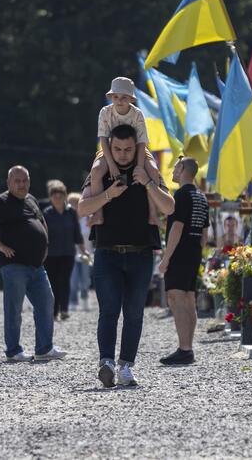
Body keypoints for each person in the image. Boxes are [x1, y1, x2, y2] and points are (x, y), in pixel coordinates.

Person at [78, 124, 174, 388]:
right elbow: (82, 208)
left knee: (134, 313)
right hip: (107, 254)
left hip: (141, 254)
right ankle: (106, 363)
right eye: (117, 149)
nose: (122, 154)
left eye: (128, 149)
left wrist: (149, 183)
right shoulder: (102, 168)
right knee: (108, 311)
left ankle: (125, 367)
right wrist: (108, 194)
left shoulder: (146, 168)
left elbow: (169, 206)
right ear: (110, 146)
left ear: (137, 147)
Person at [0, 166, 65, 363]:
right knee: (14, 308)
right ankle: (13, 351)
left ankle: (45, 348)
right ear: (9, 183)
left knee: (46, 302)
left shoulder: (31, 199)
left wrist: (45, 246)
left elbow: (42, 223)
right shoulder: (1, 201)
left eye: (25, 180)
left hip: (36, 265)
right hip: (14, 264)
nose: (21, 184)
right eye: (17, 181)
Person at [157, 157, 209, 366]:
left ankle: (184, 349)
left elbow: (176, 228)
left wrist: (166, 258)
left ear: (182, 169)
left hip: (179, 253)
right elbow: (205, 234)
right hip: (194, 251)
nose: (172, 171)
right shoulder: (201, 196)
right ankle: (188, 347)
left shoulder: (181, 195)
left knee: (176, 299)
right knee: (188, 299)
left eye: (175, 167)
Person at [88, 77, 160, 225]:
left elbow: (141, 143)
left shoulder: (137, 114)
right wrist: (111, 164)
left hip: (137, 150)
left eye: (123, 97)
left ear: (131, 99)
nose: (119, 100)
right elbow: (103, 140)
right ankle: (98, 214)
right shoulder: (105, 112)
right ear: (111, 97)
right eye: (115, 97)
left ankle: (153, 214)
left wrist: (139, 166)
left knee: (153, 171)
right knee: (95, 171)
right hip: (109, 149)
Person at [43, 180, 84, 321]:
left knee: (65, 281)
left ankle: (64, 309)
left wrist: (83, 250)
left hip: (68, 253)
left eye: (60, 195)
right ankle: (53, 311)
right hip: (51, 254)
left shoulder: (71, 213)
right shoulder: (46, 214)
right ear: (50, 197)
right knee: (53, 282)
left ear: (65, 196)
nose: (58, 197)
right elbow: (43, 235)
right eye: (55, 195)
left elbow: (77, 233)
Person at [67, 192, 93, 312]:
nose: (72, 207)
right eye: (70, 204)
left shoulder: (88, 218)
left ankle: (85, 299)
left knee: (85, 281)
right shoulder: (68, 220)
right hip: (71, 255)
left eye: (74, 204)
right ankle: (72, 301)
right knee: (73, 280)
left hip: (86, 254)